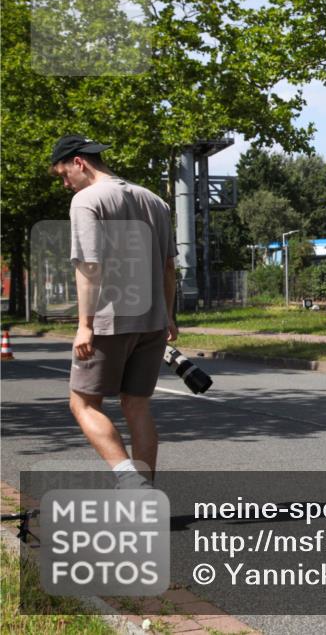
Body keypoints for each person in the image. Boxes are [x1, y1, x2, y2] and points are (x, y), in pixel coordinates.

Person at [49, 134, 178, 489]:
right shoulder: (154, 201)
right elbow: (169, 267)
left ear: (79, 162)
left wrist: (84, 326)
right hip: (152, 321)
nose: (64, 183)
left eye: (63, 174)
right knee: (137, 407)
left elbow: (89, 267)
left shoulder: (86, 200)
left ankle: (131, 484)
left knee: (83, 404)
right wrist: (168, 316)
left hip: (109, 320)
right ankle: (145, 495)